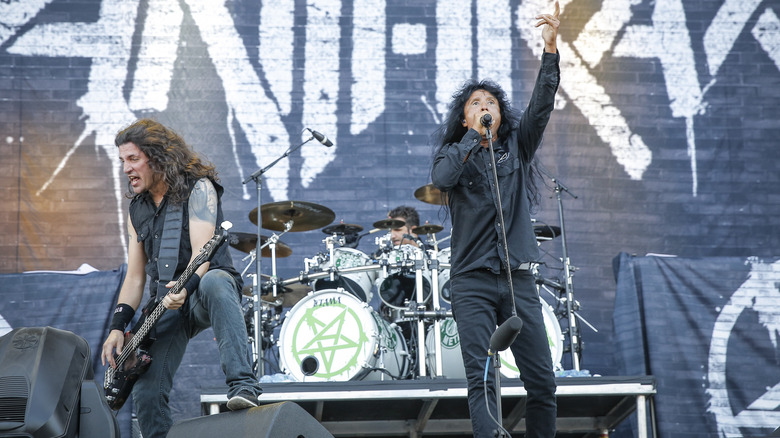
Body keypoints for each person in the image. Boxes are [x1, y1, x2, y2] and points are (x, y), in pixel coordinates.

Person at [430, 2, 561, 437]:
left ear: (501, 114)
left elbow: (540, 107)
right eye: (476, 103)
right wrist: (473, 137)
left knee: (542, 380)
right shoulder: (454, 155)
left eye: (491, 102)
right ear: (465, 117)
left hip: (518, 277)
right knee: (483, 377)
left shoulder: (517, 150)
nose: (485, 106)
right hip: (471, 280)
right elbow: (443, 178)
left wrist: (550, 49)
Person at [101, 119, 262, 438]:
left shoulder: (198, 188)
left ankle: (243, 387)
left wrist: (185, 288)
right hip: (162, 306)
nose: (126, 169)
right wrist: (118, 327)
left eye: (133, 159)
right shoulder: (138, 210)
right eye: (122, 161)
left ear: (157, 157)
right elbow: (134, 277)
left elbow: (203, 251)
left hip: (202, 287)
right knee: (145, 398)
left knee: (216, 282)